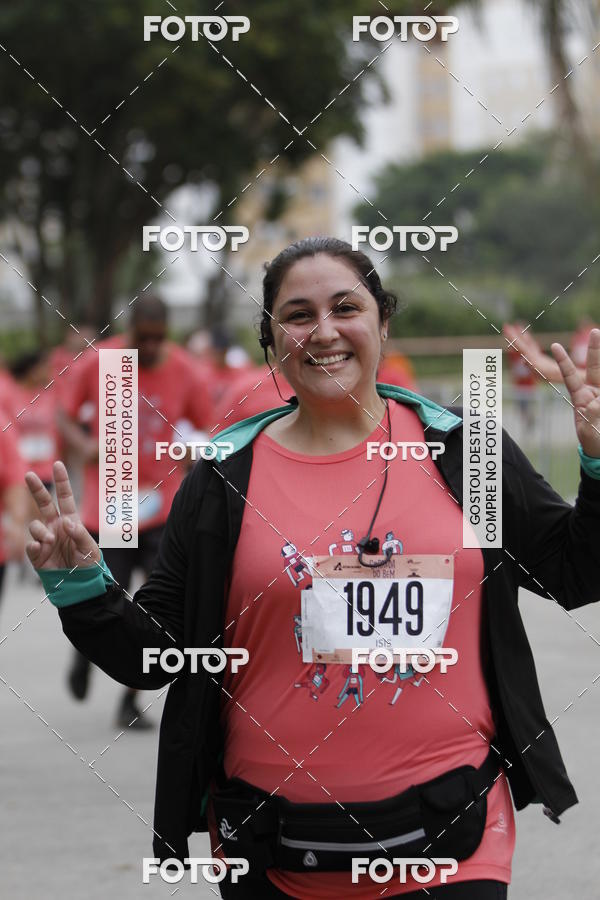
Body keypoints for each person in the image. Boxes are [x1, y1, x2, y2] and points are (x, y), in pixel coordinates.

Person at [25, 237, 600, 899]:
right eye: (297, 315)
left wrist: (599, 467)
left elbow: (576, 572)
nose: (324, 332)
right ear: (271, 340)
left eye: (346, 307)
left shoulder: (462, 452)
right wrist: (81, 588)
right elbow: (156, 654)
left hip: (453, 839)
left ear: (383, 321)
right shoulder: (220, 483)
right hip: (271, 848)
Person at [56, 294, 211, 728]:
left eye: (159, 339)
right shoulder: (102, 364)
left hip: (164, 505)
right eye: (143, 339)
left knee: (155, 611)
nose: (152, 348)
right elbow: (64, 415)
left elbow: (206, 426)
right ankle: (85, 653)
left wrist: (194, 451)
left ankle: (130, 701)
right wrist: (84, 444)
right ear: (130, 331)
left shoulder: (185, 370)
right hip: (115, 501)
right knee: (112, 593)